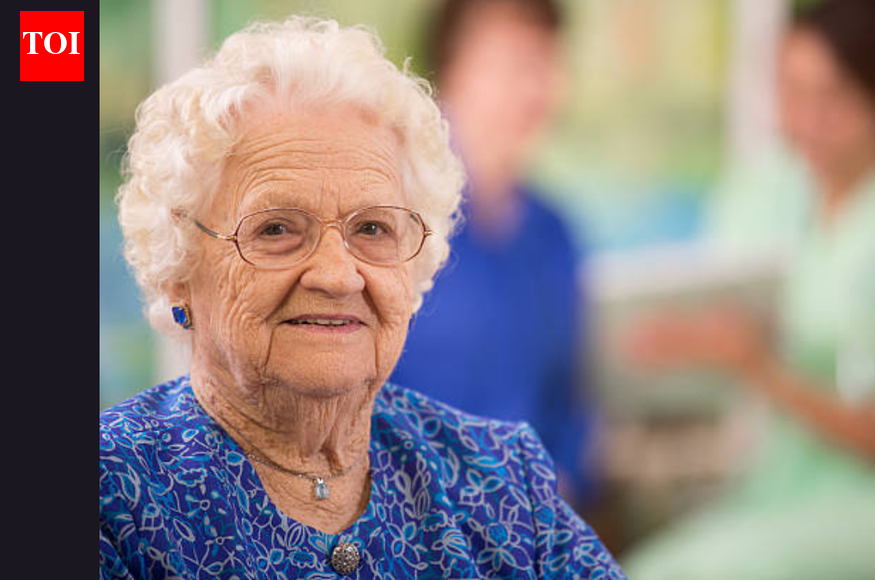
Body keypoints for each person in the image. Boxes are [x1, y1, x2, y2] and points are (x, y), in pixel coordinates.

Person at [99, 17, 624, 579]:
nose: (337, 275)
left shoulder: (504, 482)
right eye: (276, 229)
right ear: (179, 265)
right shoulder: (112, 498)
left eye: (372, 229)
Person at [623, 0, 875, 578]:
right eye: (789, 89)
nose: (803, 118)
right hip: (783, 493)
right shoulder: (766, 193)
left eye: (831, 98)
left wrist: (760, 368)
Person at [390, 0, 597, 508]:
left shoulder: (555, 235)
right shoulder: (385, 223)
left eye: (544, 64)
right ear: (448, 74)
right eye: (511, 65)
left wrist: (559, 482)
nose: (532, 89)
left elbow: (568, 406)